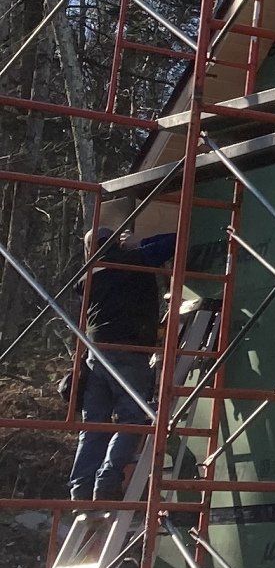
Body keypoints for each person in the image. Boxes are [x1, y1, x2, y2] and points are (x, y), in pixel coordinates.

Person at [69, 212, 178, 506]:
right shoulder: (133, 261)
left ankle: (80, 487)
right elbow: (174, 241)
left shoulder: (87, 277)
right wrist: (139, 243)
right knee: (131, 418)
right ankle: (106, 482)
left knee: (94, 425)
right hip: (129, 351)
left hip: (95, 354)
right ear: (116, 243)